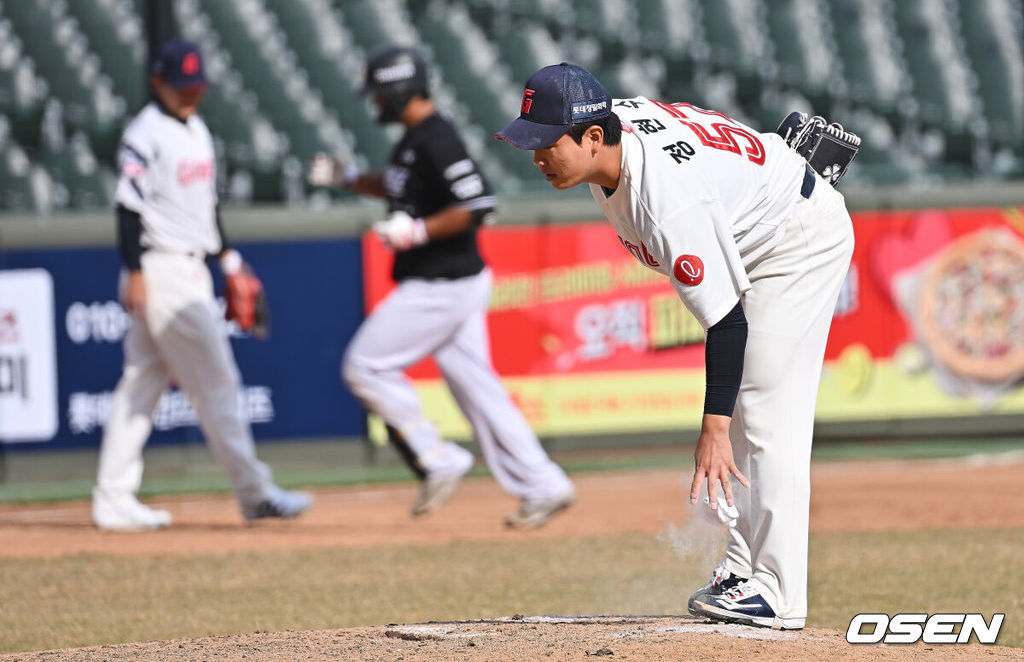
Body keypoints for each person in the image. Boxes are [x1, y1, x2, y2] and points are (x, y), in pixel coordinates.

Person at [495, 63, 855, 629]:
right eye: (531, 140)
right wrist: (762, 169)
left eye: (547, 142)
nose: (537, 155)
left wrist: (711, 429)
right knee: (744, 404)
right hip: (764, 217)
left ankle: (779, 591)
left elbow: (727, 324)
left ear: (593, 137)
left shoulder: (666, 204)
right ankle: (742, 569)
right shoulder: (612, 145)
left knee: (762, 409)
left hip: (797, 241)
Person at [308, 46, 575, 528]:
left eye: (379, 94)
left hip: (443, 282)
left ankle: (436, 457)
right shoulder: (416, 139)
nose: (374, 104)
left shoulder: (438, 136)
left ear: (398, 90)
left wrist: (418, 231)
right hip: (451, 280)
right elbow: (398, 184)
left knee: (364, 365)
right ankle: (544, 483)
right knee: (479, 390)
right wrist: (349, 178)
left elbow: (478, 204)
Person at [93, 40, 312, 531]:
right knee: (218, 383)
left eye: (196, 86)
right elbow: (127, 206)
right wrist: (134, 271)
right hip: (163, 269)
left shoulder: (197, 130)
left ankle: (112, 498)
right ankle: (254, 494)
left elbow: (204, 207)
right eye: (181, 86)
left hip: (189, 264)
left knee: (141, 384)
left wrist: (229, 258)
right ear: (157, 83)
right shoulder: (145, 133)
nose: (190, 94)